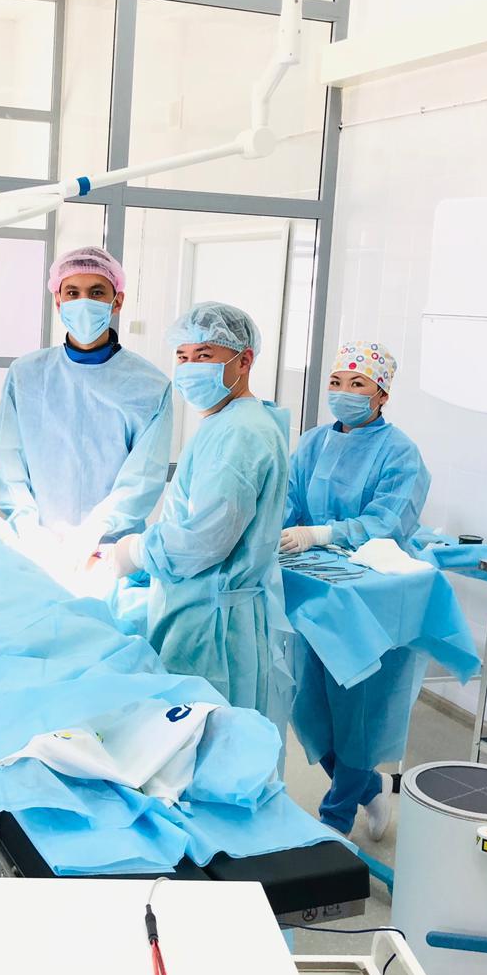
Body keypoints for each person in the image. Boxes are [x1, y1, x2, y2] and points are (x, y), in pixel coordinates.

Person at [108, 302, 292, 739]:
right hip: (210, 611)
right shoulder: (230, 422)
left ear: (244, 360)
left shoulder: (238, 433)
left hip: (211, 629)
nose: (190, 368)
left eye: (204, 355)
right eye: (183, 356)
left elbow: (204, 539)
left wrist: (134, 551)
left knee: (205, 747)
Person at [281, 341, 431, 839]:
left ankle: (335, 821)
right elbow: (288, 502)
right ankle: (368, 787)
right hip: (314, 589)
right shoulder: (312, 443)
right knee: (308, 707)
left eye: (357, 383)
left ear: (381, 394)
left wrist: (324, 533)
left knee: (358, 709)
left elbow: (389, 521)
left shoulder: (400, 453)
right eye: (336, 382)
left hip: (371, 595)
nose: (343, 392)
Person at [0, 246, 172, 568]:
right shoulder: (26, 374)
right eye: (72, 292)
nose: (83, 301)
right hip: (36, 544)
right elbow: (9, 463)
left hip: (110, 551)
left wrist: (95, 531)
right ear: (58, 301)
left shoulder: (150, 386)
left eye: (97, 292)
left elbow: (142, 478)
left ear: (117, 301)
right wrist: (28, 528)